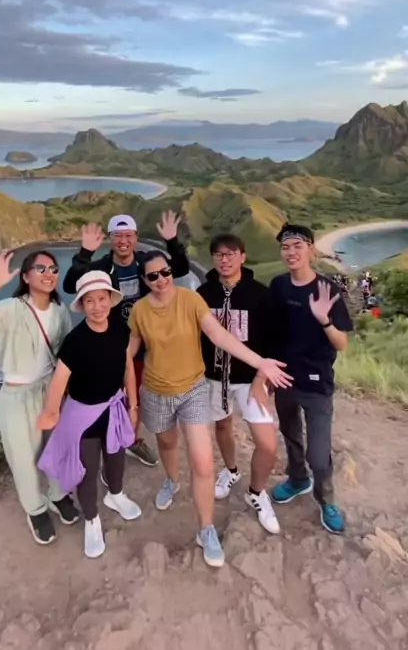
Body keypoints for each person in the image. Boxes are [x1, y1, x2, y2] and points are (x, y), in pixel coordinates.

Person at [127, 250, 292, 568]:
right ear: (144, 280)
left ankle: (206, 529)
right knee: (166, 443)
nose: (161, 280)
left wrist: (260, 363)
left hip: (193, 389)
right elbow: (128, 353)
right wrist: (130, 399)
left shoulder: (191, 300)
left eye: (165, 272)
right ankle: (172, 480)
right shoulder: (140, 310)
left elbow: (219, 335)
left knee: (203, 462)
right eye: (153, 276)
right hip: (157, 392)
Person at [0, 251, 80, 545]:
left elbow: (65, 354)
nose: (49, 273)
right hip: (16, 396)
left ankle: (58, 495)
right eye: (40, 268)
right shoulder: (10, 308)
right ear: (25, 276)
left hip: (50, 390)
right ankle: (36, 509)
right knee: (23, 458)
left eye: (53, 268)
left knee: (56, 449)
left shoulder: (60, 311)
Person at [62, 210, 190, 467]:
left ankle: (129, 439)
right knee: (109, 395)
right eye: (118, 236)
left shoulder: (145, 263)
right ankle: (108, 446)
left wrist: (172, 241)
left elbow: (179, 268)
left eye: (128, 235)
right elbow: (69, 285)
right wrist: (85, 253)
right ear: (110, 239)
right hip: (110, 342)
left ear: (136, 237)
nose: (123, 241)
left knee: (135, 395)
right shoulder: (100, 267)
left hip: (145, 341)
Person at [37, 271, 141, 559]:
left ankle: (116, 496)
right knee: (87, 470)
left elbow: (127, 367)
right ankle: (92, 520)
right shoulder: (75, 340)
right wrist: (51, 412)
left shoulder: (119, 329)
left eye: (102, 299)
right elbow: (59, 380)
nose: (97, 306)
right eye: (90, 301)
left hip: (114, 409)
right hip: (84, 417)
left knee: (116, 457)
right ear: (82, 305)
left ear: (110, 299)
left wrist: (133, 405)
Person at [269, 224, 353, 534]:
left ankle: (326, 499)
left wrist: (325, 320)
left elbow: (341, 343)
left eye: (297, 246)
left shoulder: (327, 289)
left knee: (319, 454)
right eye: (285, 247)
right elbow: (273, 330)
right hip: (285, 378)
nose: (291, 252)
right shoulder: (279, 286)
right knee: (290, 433)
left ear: (311, 250)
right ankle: (297, 479)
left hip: (317, 383)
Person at [197, 234, 280, 534]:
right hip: (214, 377)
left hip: (250, 379)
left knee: (267, 444)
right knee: (222, 425)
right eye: (219, 254)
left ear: (243, 257)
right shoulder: (203, 293)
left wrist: (261, 379)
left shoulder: (260, 294)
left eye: (231, 253)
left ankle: (256, 492)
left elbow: (273, 340)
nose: (225, 259)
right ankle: (231, 470)